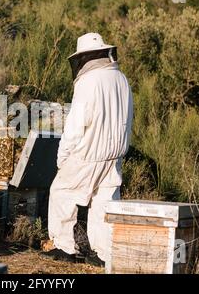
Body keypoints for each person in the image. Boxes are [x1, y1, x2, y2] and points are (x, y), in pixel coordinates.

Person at [44, 33, 133, 267]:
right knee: (103, 203)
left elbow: (76, 124)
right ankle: (102, 255)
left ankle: (64, 247)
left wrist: (63, 156)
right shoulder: (121, 79)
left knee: (61, 191)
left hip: (88, 152)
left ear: (83, 58)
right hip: (114, 154)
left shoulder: (88, 81)